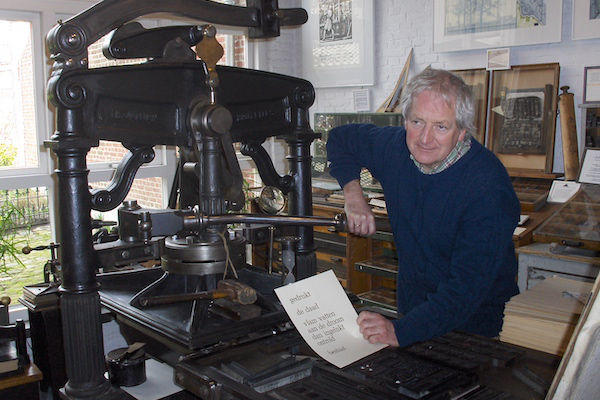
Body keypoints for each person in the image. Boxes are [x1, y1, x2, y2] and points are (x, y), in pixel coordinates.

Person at [326, 67, 520, 347]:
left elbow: (465, 290)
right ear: (404, 120)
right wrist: (354, 196)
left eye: (441, 126)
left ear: (463, 131)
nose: (425, 138)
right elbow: (340, 139)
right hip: (414, 313)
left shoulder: (487, 186)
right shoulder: (393, 148)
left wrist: (399, 332)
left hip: (476, 331)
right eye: (417, 122)